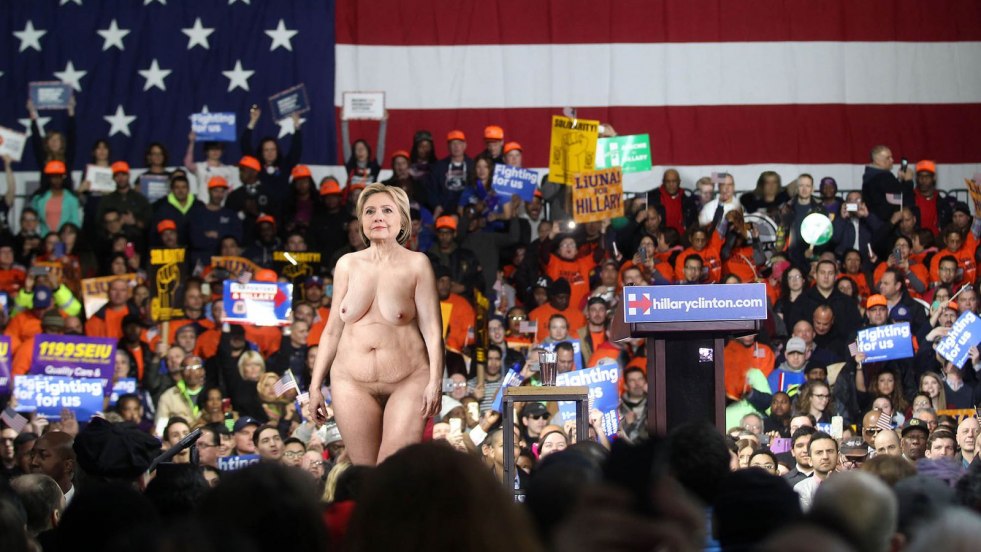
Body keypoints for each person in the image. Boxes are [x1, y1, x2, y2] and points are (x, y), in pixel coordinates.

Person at [308, 183, 443, 466]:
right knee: (365, 475)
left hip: (408, 379)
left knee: (392, 470)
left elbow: (433, 331)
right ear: (361, 221)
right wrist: (315, 385)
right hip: (350, 382)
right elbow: (332, 330)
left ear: (402, 220)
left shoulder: (417, 264)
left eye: (387, 210)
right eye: (370, 211)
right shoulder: (346, 264)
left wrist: (435, 381)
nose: (378, 217)